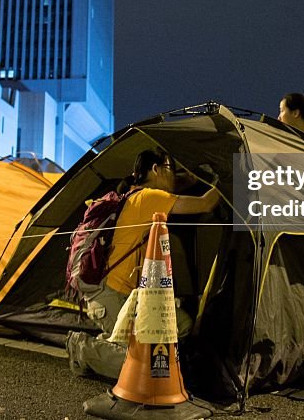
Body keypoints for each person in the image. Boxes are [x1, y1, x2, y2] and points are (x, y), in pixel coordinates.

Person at [66, 148, 221, 379]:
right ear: (156, 169)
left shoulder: (136, 197)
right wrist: (229, 177)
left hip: (130, 297)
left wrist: (191, 175)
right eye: (171, 170)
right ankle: (82, 348)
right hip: (109, 296)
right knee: (150, 364)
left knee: (182, 326)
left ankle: (107, 346)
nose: (174, 176)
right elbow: (205, 204)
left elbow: (176, 187)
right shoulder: (148, 197)